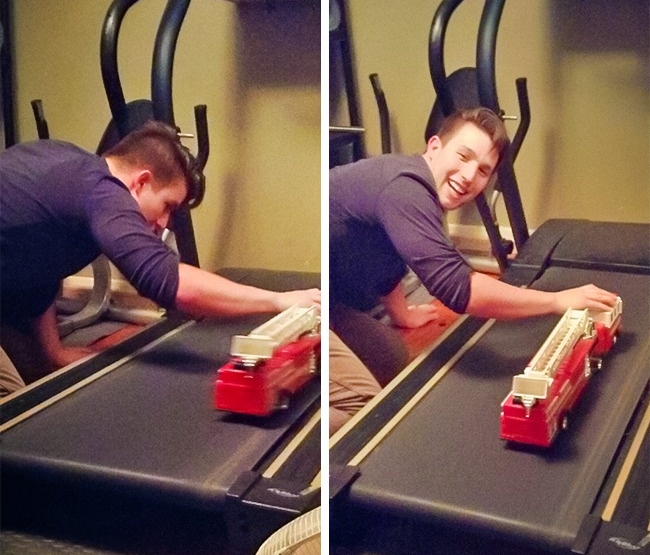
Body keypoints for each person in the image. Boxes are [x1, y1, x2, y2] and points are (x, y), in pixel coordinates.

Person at [329, 107, 618, 426]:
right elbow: (457, 289)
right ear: (434, 146)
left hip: (329, 300)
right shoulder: (405, 189)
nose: (469, 176)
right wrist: (556, 301)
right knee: (361, 411)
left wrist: (402, 314)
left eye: (483, 170)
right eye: (463, 156)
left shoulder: (419, 186)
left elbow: (385, 253)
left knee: (391, 358)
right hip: (301, 299)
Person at [0, 121, 320, 394]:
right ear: (141, 182)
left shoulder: (71, 167)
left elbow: (40, 270)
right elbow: (167, 282)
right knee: (17, 419)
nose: (165, 223)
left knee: (42, 382)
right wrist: (278, 300)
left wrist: (53, 352)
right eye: (168, 205)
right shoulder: (101, 191)